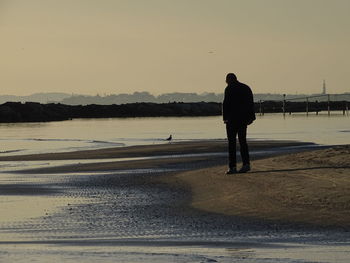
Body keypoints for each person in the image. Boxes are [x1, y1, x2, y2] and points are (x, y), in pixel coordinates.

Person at [223, 73, 256, 174]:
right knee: (243, 142)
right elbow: (251, 103)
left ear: (228, 80)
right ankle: (246, 164)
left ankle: (232, 167)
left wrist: (225, 118)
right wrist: (251, 117)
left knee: (232, 143)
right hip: (243, 119)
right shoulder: (245, 87)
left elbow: (226, 104)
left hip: (232, 119)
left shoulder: (229, 88)